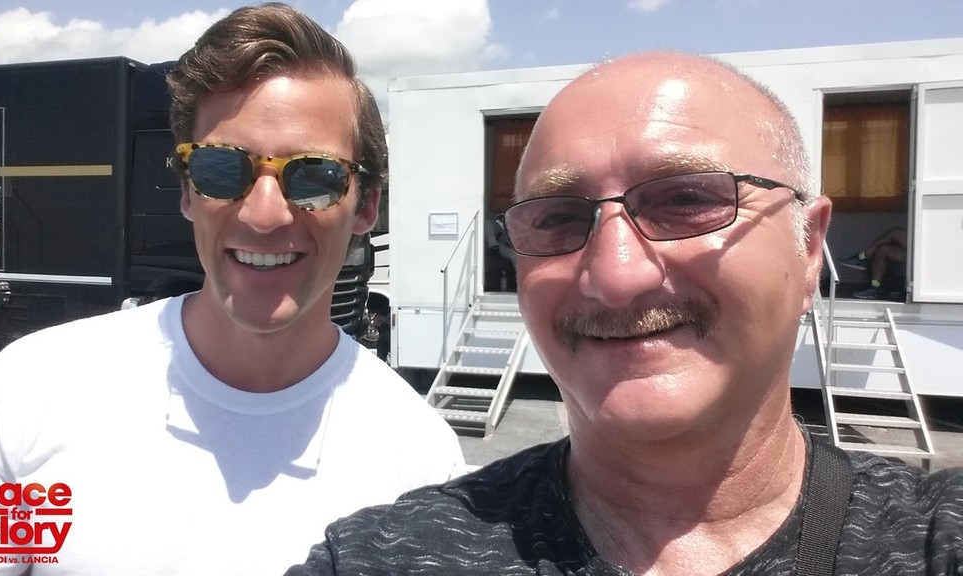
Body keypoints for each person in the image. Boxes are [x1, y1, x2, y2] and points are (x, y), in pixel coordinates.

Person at [286, 51, 963, 575]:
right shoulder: (392, 555)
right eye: (557, 217)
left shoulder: (936, 538)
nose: (615, 277)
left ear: (808, 245)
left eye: (687, 200)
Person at [0, 4, 464, 575]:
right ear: (187, 191)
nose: (264, 215)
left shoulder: (420, 462)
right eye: (221, 168)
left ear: (367, 206)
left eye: (315, 175)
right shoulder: (35, 390)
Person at [838, 226, 907, 299]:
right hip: (911, 254)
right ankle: (874, 288)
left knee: (895, 232)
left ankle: (863, 256)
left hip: (916, 255)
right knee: (882, 250)